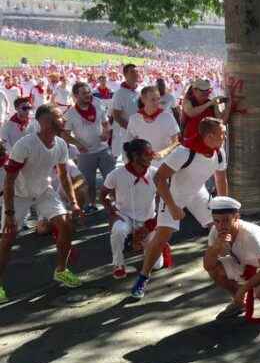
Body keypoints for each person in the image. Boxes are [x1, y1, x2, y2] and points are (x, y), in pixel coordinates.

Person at [130, 117, 229, 299]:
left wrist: (224, 208)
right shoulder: (184, 153)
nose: (225, 136)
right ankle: (143, 278)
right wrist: (173, 207)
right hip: (174, 196)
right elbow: (159, 178)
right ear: (209, 136)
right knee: (161, 238)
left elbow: (221, 179)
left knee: (223, 228)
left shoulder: (219, 152)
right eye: (222, 133)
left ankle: (231, 268)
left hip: (198, 193)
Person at [0, 105, 82, 302]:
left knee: (66, 225)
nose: (63, 120)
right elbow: (9, 181)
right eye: (59, 117)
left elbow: (64, 176)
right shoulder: (25, 145)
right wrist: (9, 213)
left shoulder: (61, 144)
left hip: (44, 191)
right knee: (7, 238)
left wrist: (74, 202)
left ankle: (61, 270)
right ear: (45, 121)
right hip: (19, 195)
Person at [203, 196, 260, 321]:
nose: (220, 225)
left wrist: (243, 290)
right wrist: (216, 247)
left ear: (236, 217)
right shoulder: (215, 230)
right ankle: (240, 303)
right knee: (215, 270)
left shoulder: (251, 234)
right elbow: (208, 266)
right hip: (245, 264)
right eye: (216, 221)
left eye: (225, 220)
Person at [100, 139, 167, 279]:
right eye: (148, 154)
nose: (152, 156)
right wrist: (112, 212)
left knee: (157, 265)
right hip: (125, 217)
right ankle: (118, 264)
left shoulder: (156, 174)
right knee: (118, 229)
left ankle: (148, 246)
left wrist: (152, 224)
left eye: (152, 153)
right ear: (136, 156)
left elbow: (164, 202)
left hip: (149, 220)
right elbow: (102, 195)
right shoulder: (116, 174)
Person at [63, 82, 115, 215]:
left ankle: (117, 203)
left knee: (112, 178)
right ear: (75, 96)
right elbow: (65, 135)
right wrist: (78, 144)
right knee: (88, 182)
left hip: (103, 150)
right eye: (84, 93)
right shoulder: (70, 114)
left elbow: (106, 124)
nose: (88, 95)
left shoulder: (97, 106)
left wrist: (106, 133)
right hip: (85, 154)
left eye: (88, 92)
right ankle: (91, 205)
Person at [127, 86, 180, 167]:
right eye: (153, 100)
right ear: (143, 100)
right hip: (143, 165)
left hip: (164, 164)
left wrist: (164, 152)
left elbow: (176, 142)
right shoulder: (134, 119)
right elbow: (130, 143)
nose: (157, 102)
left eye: (158, 99)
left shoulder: (167, 117)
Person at [181, 79, 230, 145]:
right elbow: (191, 113)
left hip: (207, 142)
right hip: (190, 142)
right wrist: (209, 103)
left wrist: (228, 106)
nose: (206, 93)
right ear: (194, 90)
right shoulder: (188, 101)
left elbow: (221, 121)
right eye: (202, 90)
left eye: (207, 90)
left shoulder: (211, 103)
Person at [111, 64, 141, 158]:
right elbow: (116, 116)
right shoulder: (119, 94)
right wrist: (131, 129)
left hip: (141, 131)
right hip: (126, 133)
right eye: (132, 72)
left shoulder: (141, 90)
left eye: (137, 72)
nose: (136, 74)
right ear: (125, 75)